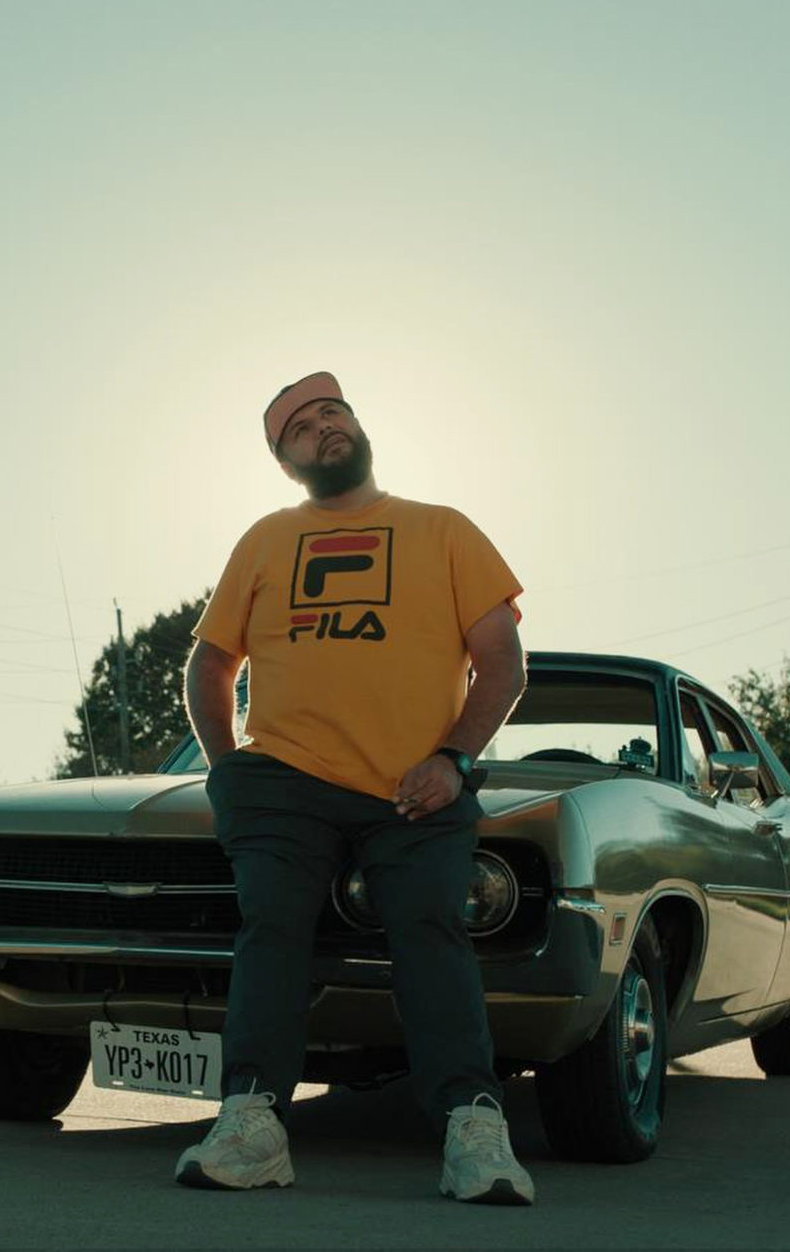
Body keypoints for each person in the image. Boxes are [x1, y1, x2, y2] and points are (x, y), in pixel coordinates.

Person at [174, 371, 536, 1205]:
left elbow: (504, 659)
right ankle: (252, 1120)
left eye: (331, 411)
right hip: (282, 780)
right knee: (271, 924)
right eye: (298, 427)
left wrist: (453, 758)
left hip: (418, 788)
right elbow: (210, 663)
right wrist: (226, 768)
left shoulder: (442, 529)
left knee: (431, 927)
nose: (321, 428)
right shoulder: (265, 538)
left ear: (360, 424)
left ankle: (473, 1128)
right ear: (284, 461)